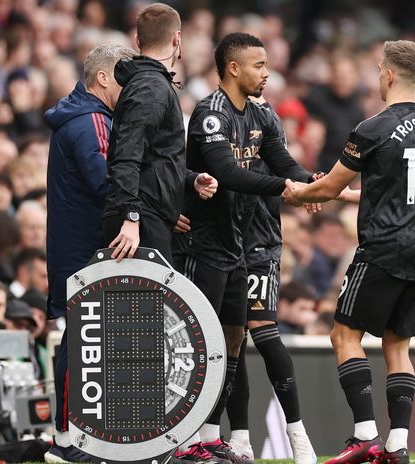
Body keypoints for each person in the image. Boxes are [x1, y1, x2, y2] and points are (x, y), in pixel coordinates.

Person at [283, 39, 415, 464]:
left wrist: (299, 194)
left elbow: (329, 185)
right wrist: (341, 196)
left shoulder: (374, 127)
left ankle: (365, 434)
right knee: (398, 346)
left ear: (388, 75)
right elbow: (391, 192)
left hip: (383, 247)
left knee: (344, 335)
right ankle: (398, 445)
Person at [172, 32, 317, 464]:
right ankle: (186, 437)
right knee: (202, 342)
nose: (267, 73)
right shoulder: (210, 114)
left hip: (241, 244)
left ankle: (216, 437)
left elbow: (282, 161)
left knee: (233, 339)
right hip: (204, 243)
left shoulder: (261, 113)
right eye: (259, 65)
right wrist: (288, 188)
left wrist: (312, 183)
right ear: (233, 68)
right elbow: (228, 173)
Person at [43, 43, 136, 464]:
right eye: (124, 76)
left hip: (78, 248)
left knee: (83, 344)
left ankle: (74, 437)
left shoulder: (81, 117)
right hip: (85, 252)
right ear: (104, 78)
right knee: (80, 344)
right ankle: (66, 442)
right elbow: (107, 183)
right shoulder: (91, 121)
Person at [224, 97, 319, 464]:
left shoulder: (267, 124)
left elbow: (288, 169)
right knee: (231, 336)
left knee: (263, 332)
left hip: (260, 242)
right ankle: (241, 439)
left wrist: (308, 183)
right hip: (224, 241)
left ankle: (298, 433)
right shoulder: (219, 120)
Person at [102, 3, 217, 264]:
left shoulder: (150, 83)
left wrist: (188, 179)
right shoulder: (151, 88)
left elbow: (154, 156)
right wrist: (131, 217)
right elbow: (126, 156)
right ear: (177, 38)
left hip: (146, 217)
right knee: (142, 306)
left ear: (137, 40)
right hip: (138, 226)